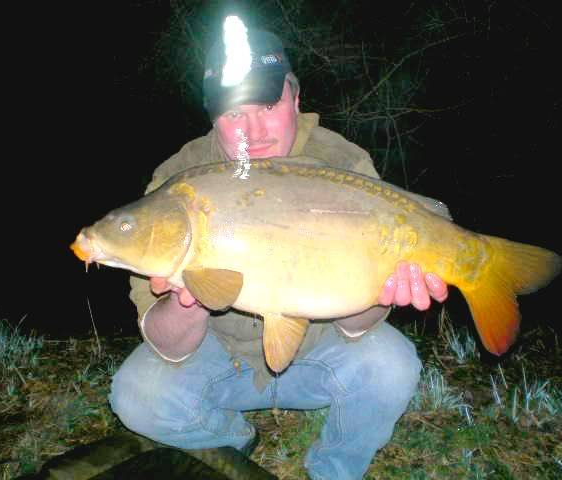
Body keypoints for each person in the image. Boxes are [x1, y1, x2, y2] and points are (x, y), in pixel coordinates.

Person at [109, 20, 448, 480]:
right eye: (233, 114)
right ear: (212, 118)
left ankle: (333, 470)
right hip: (219, 360)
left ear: (295, 97)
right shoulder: (178, 182)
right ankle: (230, 442)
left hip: (320, 353)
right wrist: (188, 304)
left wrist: (381, 294)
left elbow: (356, 326)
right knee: (136, 395)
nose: (254, 130)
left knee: (391, 364)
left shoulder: (344, 165)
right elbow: (168, 347)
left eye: (268, 105)